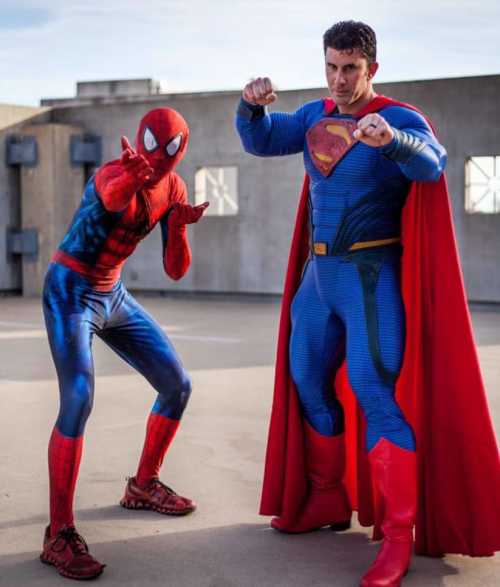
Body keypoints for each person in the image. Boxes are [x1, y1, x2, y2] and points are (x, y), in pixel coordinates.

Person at [236, 20, 500, 587]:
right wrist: (250, 107)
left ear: (371, 68)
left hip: (369, 276)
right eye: (331, 66)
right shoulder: (312, 116)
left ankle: (398, 538)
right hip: (318, 278)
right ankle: (328, 499)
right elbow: (259, 141)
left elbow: (433, 162)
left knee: (375, 392)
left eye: (349, 68)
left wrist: (395, 142)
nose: (338, 78)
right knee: (306, 378)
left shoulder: (399, 117)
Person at [41, 107, 208, 580]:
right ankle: (58, 534)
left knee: (177, 385)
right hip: (70, 291)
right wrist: (130, 179)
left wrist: (177, 227)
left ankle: (143, 485)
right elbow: (112, 198)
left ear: (183, 150)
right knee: (77, 398)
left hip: (112, 294)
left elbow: (176, 269)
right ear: (139, 139)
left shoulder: (173, 187)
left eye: (170, 149)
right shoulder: (116, 172)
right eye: (152, 144)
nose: (159, 156)